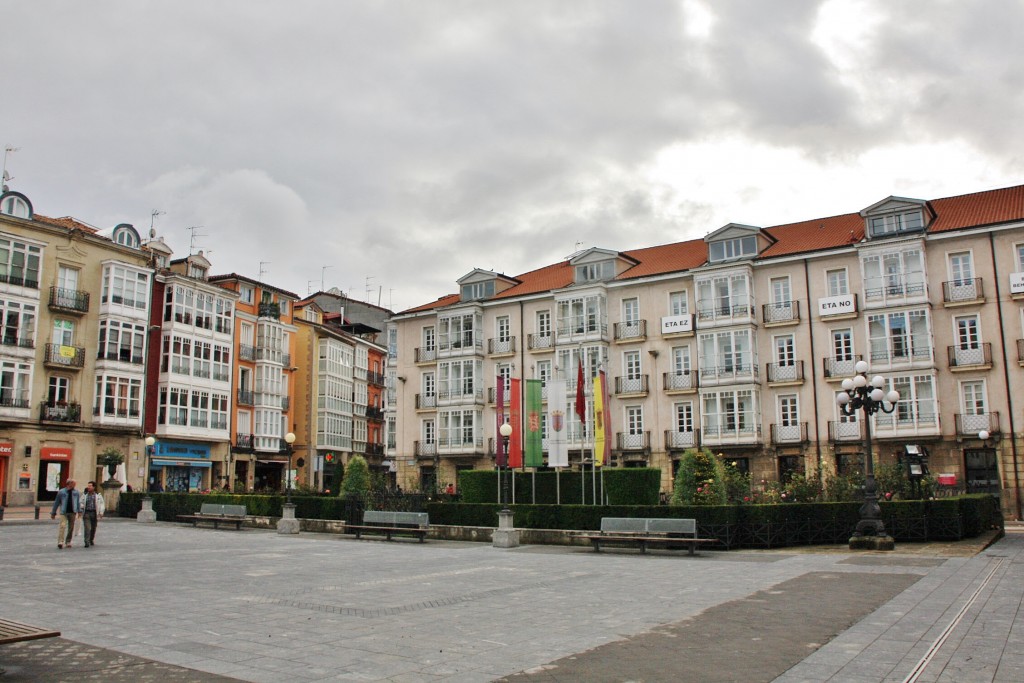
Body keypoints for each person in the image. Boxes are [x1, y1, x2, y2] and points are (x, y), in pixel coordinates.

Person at [49, 479, 81, 549]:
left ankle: (68, 541)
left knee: (71, 527)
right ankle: (60, 541)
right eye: (73, 484)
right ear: (69, 484)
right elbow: (56, 502)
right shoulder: (61, 492)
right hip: (64, 512)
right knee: (62, 526)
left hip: (73, 512)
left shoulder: (76, 492)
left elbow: (78, 502)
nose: (74, 485)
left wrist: (79, 511)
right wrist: (53, 512)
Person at [80, 481, 105, 547]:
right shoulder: (85, 495)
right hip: (86, 513)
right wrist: (81, 506)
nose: (88, 487)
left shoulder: (98, 495)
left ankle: (91, 539)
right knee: (87, 528)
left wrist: (101, 512)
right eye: (88, 486)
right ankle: (86, 541)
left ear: (94, 487)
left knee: (93, 528)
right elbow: (81, 502)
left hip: (94, 513)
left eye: (90, 486)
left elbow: (102, 504)